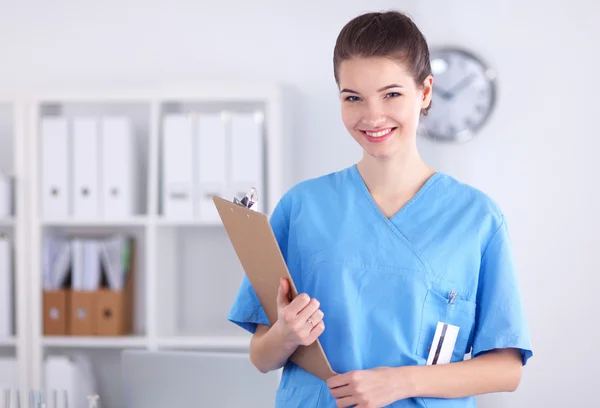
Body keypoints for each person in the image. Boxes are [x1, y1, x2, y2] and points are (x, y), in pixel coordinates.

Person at [227, 10, 533, 408]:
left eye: (391, 94)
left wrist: (401, 382)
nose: (372, 116)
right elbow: (260, 356)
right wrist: (285, 335)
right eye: (353, 98)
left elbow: (507, 369)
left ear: (424, 93)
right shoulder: (302, 207)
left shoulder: (476, 218)